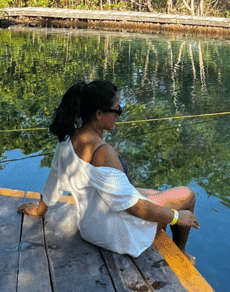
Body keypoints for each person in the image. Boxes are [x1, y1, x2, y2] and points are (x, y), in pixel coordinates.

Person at [18, 80, 199, 260]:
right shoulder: (102, 152)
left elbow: (55, 177)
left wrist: (40, 209)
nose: (119, 114)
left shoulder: (68, 138)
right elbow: (135, 207)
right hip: (115, 234)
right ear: (98, 113)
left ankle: (166, 241)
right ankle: (180, 253)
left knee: (157, 195)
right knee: (187, 195)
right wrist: (176, 217)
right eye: (117, 109)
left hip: (90, 226)